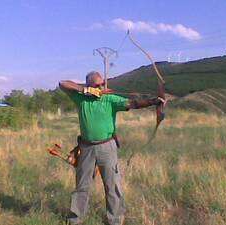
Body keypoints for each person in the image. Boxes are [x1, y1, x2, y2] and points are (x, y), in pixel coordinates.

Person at [59, 71, 165, 225]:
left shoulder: (110, 99)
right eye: (97, 85)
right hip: (86, 148)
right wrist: (86, 91)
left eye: (102, 84)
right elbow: (63, 83)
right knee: (82, 185)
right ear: (89, 85)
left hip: (107, 147)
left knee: (112, 185)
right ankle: (75, 219)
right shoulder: (80, 98)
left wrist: (154, 101)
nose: (101, 87)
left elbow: (133, 103)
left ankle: (114, 220)